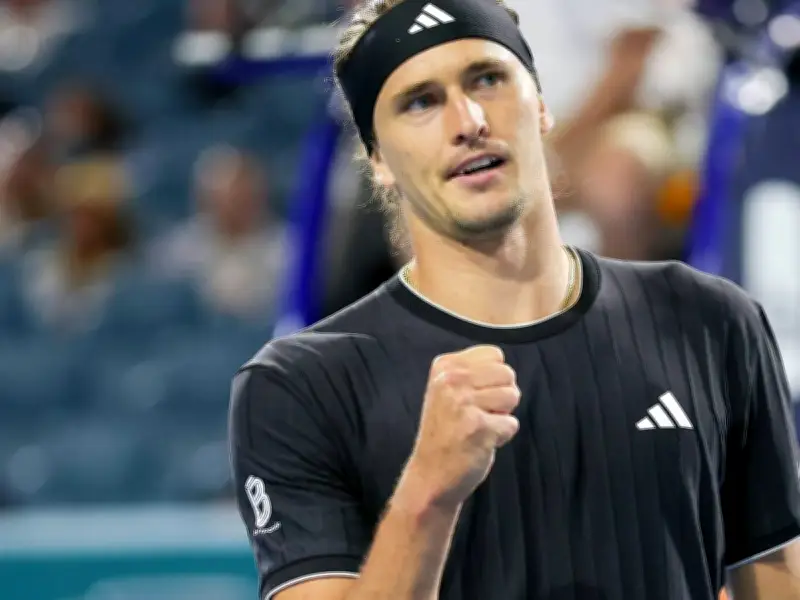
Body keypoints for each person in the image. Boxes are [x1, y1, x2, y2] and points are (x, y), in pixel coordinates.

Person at [228, 0, 800, 599]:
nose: (468, 119)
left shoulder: (711, 322)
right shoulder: (297, 387)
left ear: (541, 105)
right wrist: (428, 491)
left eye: (487, 79)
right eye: (420, 102)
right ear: (379, 160)